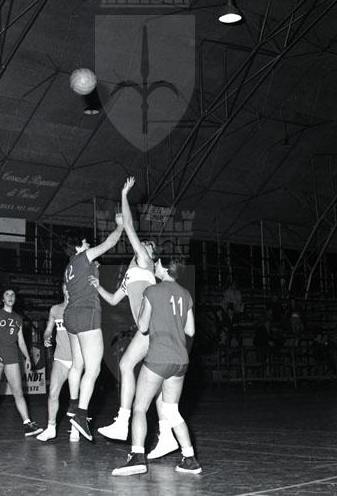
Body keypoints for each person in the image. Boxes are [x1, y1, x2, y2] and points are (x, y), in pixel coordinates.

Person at [93, 178, 177, 460]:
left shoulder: (144, 263)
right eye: (146, 244)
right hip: (151, 329)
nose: (146, 245)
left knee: (130, 367)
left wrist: (123, 195)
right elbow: (113, 300)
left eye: (150, 246)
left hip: (151, 327)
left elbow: (129, 226)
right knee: (149, 382)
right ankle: (165, 435)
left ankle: (123, 421)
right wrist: (97, 286)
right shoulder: (131, 275)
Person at [112, 257, 202, 477]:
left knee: (139, 408)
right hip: (180, 359)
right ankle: (190, 458)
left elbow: (143, 326)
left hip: (159, 356)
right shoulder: (185, 294)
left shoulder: (152, 291)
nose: (156, 265)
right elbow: (190, 330)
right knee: (171, 410)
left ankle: (137, 456)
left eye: (158, 263)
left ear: (164, 268)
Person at [65, 209, 124, 441]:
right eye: (85, 242)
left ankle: (73, 404)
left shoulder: (69, 266)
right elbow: (109, 243)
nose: (88, 243)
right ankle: (81, 414)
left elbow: (78, 287)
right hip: (86, 314)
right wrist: (120, 226)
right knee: (93, 369)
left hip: (70, 316)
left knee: (77, 365)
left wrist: (94, 271)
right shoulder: (84, 257)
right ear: (78, 246)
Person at [0, 289, 43, 437]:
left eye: (13, 295)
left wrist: (27, 357)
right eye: (7, 294)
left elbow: (20, 341)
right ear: (3, 299)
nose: (10, 297)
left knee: (18, 392)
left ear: (15, 299)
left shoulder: (18, 318)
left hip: (12, 356)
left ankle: (27, 423)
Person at [37, 283, 79, 442]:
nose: (68, 289)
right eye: (66, 286)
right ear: (62, 289)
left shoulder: (80, 309)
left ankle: (76, 428)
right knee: (53, 392)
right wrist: (46, 337)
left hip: (77, 359)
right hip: (61, 358)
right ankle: (51, 428)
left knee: (76, 397)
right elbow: (48, 330)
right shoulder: (55, 309)